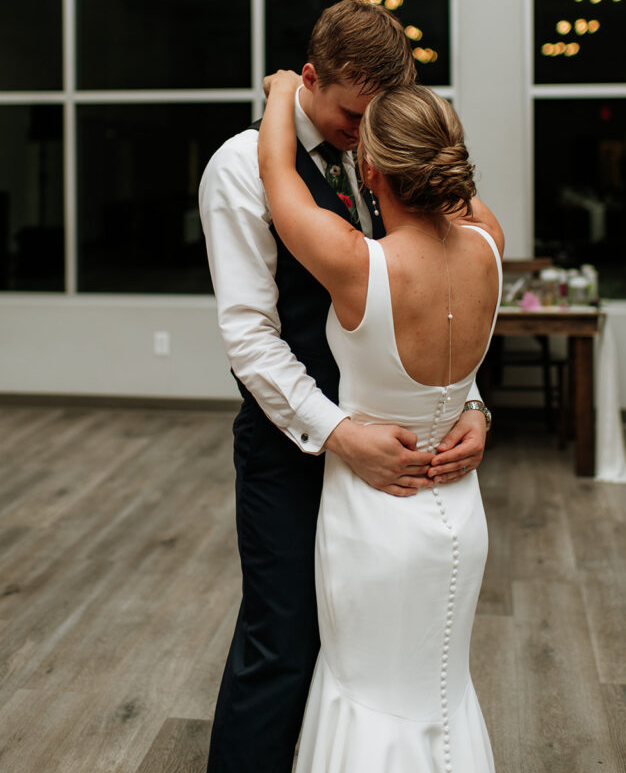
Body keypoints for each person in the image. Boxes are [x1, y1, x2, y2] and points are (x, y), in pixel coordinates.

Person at [198, 0, 491, 773]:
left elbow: (441, 291)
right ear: (309, 79)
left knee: (367, 656)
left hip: (394, 466)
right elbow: (249, 338)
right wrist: (337, 431)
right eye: (348, 114)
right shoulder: (241, 167)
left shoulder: (383, 156)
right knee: (283, 647)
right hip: (294, 450)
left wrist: (470, 403)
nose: (360, 138)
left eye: (374, 120)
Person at [258, 72, 504, 772]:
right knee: (438, 693)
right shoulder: (488, 243)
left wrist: (281, 92)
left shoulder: (358, 264)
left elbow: (279, 178)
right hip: (460, 506)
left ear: (370, 169)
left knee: (369, 695)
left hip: (375, 514)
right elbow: (457, 196)